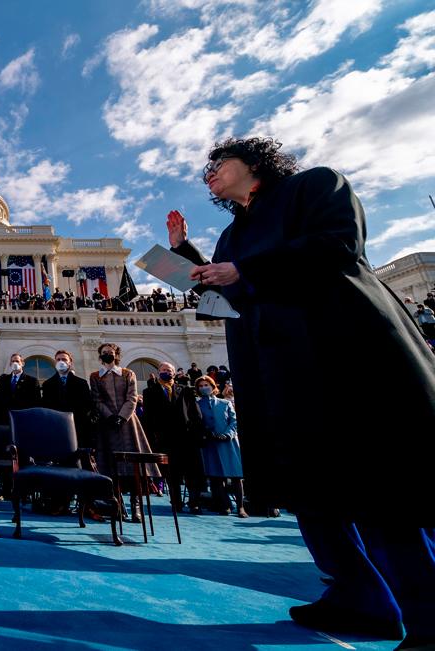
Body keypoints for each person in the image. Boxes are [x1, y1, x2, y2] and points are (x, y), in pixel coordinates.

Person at [167, 136, 435, 645]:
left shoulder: (315, 185)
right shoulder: (230, 235)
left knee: (378, 490)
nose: (210, 174)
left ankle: (427, 610)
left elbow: (339, 245)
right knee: (313, 495)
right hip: (279, 372)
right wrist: (187, 259)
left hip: (342, 357)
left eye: (218, 164)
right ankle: (361, 599)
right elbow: (227, 294)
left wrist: (244, 270)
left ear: (255, 162)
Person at [89, 343, 159, 522]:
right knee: (111, 466)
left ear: (116, 355)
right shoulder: (95, 376)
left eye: (110, 353)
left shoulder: (129, 373)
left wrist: (122, 416)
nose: (107, 355)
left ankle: (136, 506)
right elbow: (96, 400)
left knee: (133, 466)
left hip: (128, 424)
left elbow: (132, 397)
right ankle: (117, 504)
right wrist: (110, 416)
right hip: (107, 425)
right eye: (104, 353)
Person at [141, 362, 205, 514]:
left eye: (168, 370)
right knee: (171, 473)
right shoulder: (149, 392)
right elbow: (148, 417)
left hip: (186, 437)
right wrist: (151, 438)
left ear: (174, 373)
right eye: (163, 370)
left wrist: (196, 433)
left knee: (191, 472)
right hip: (165, 438)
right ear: (158, 372)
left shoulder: (186, 390)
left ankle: (194, 502)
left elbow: (195, 414)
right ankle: (176, 502)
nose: (166, 372)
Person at [194, 376, 247, 518]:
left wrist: (227, 434)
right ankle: (225, 505)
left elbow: (234, 421)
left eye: (206, 384)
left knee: (236, 476)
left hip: (229, 443)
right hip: (211, 443)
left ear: (213, 386)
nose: (204, 387)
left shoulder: (225, 403)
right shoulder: (197, 404)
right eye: (201, 386)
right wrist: (206, 433)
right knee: (216, 478)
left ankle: (240, 507)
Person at [41, 350, 94, 447]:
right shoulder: (47, 385)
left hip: (77, 427)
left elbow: (87, 405)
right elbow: (46, 407)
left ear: (70, 363)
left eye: (64, 359)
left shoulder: (81, 383)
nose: (61, 362)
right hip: (56, 426)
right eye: (58, 359)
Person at [0, 353, 41, 423]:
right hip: (5, 419)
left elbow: (36, 402)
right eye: (13, 361)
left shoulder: (32, 381)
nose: (15, 363)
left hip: (24, 419)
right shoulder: (3, 379)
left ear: (22, 363)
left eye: (17, 361)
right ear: (10, 364)